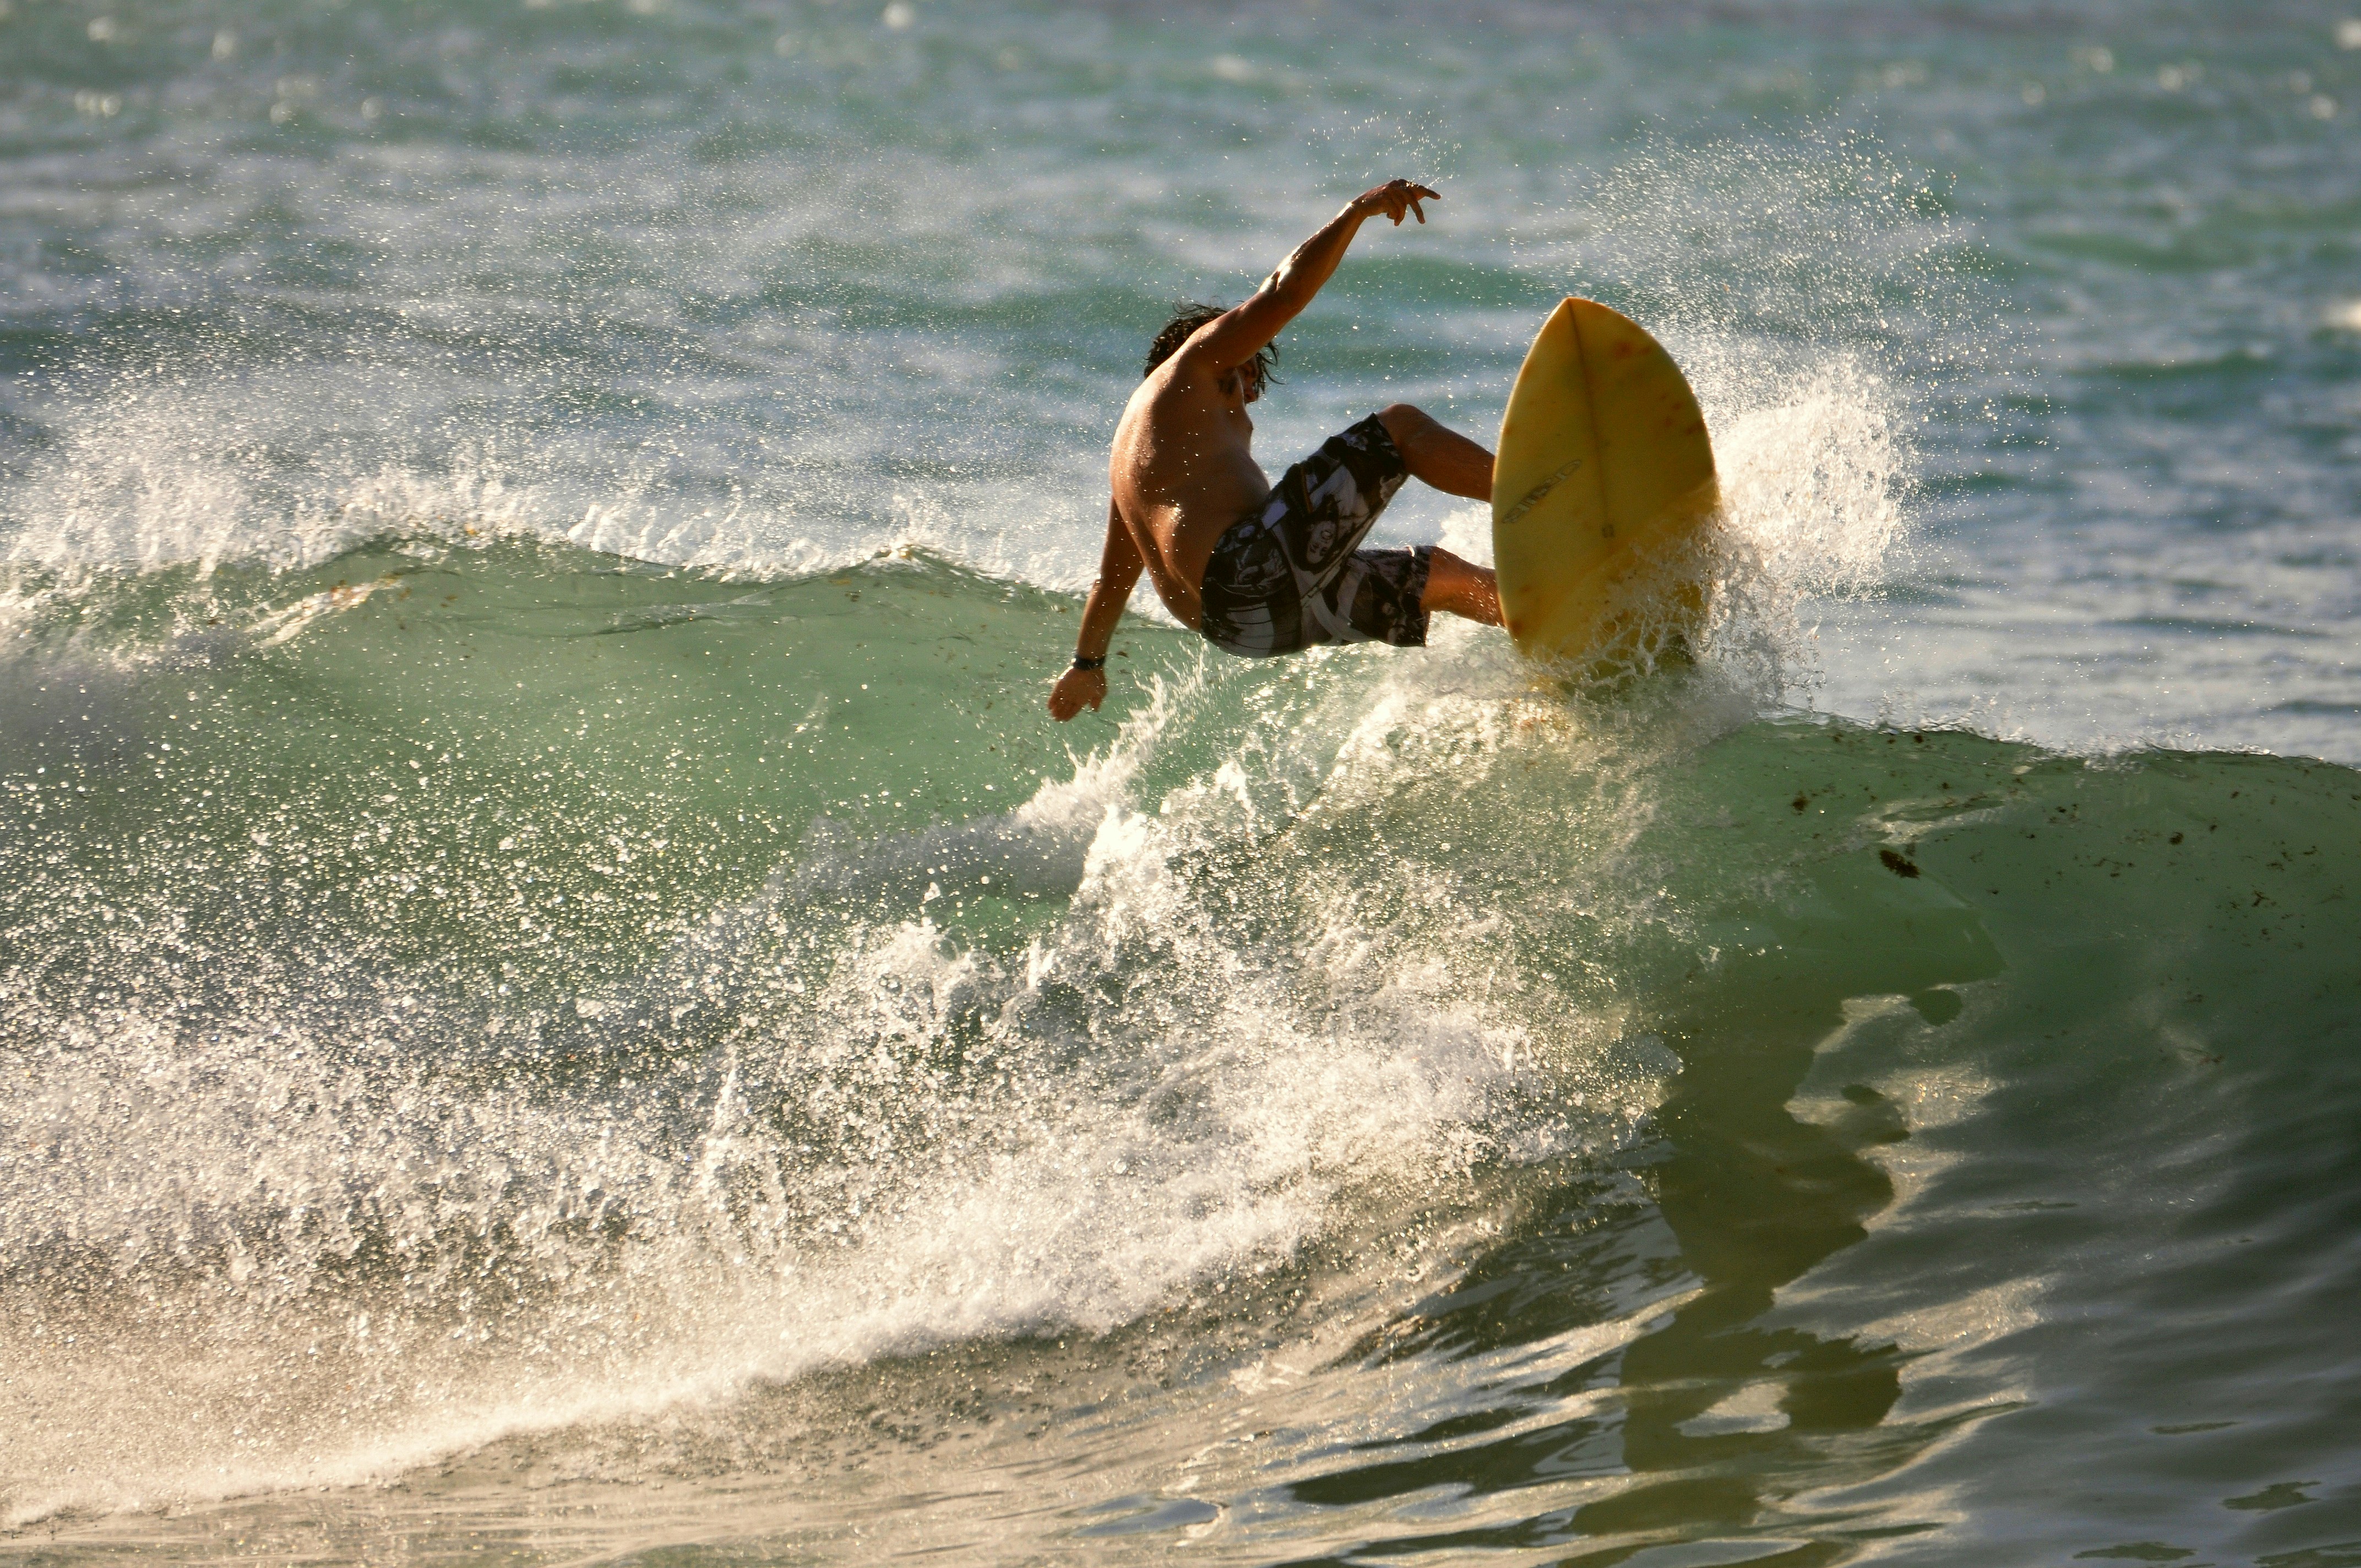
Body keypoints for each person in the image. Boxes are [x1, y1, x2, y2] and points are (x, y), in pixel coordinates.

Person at [1047, 179, 1503, 722]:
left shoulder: (1136, 460)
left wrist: (1087, 662)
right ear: (1220, 349)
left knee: (1440, 576)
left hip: (1246, 629)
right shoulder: (1193, 365)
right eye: (1248, 376)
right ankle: (1534, 489)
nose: (1253, 396)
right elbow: (1283, 293)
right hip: (1250, 568)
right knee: (1399, 428)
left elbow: (1114, 579)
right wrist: (1356, 212)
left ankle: (1562, 627)